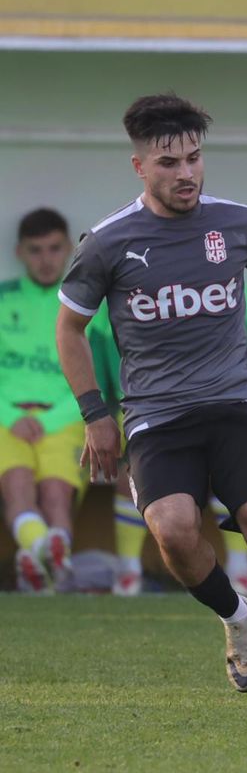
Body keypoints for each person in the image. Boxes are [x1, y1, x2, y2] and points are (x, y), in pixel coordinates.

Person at [56, 93, 247, 699]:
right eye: (169, 163)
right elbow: (69, 328)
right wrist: (95, 414)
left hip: (233, 402)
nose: (187, 173)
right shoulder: (107, 243)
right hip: (155, 414)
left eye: (194, 158)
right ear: (140, 167)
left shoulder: (240, 222)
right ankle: (236, 616)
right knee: (172, 530)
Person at [90, 290, 247, 597]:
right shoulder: (106, 317)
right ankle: (129, 571)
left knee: (226, 473)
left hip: (216, 406)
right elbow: (102, 382)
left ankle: (241, 570)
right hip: (144, 413)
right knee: (129, 477)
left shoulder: (224, 291)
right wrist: (97, 419)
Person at [2, 208, 85, 593]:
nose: (46, 259)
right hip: (6, 420)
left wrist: (50, 422)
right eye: (36, 250)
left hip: (64, 419)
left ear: (68, 247)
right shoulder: (2, 299)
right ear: (19, 252)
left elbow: (98, 378)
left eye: (54, 249)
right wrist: (9, 415)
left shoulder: (84, 304)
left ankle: (37, 563)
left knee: (55, 496)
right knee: (17, 485)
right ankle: (50, 562)